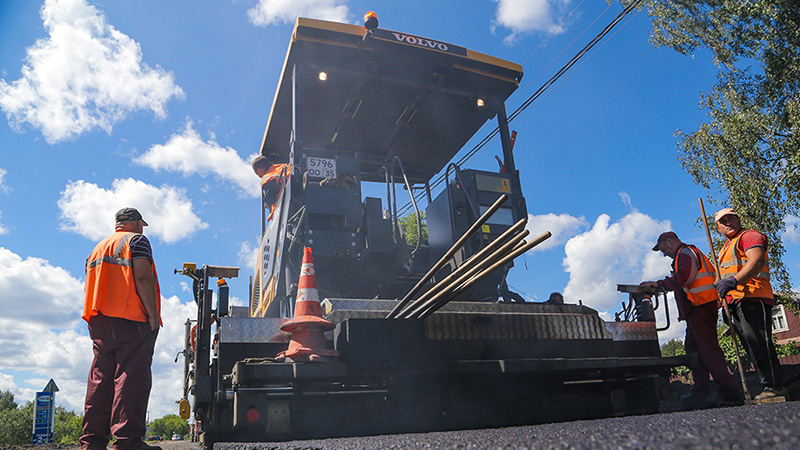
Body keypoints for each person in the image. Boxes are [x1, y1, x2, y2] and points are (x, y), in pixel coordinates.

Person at [81, 208, 162, 450]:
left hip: (99, 320)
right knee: (132, 377)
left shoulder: (99, 247)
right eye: (141, 224)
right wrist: (153, 316)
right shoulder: (137, 241)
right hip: (130, 318)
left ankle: (92, 442)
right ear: (137, 223)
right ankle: (128, 442)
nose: (142, 228)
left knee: (100, 380)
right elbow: (143, 278)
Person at [641, 231, 741, 408]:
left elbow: (684, 277)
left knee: (708, 350)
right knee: (693, 350)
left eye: (663, 249)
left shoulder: (685, 253)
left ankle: (729, 392)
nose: (664, 254)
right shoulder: (687, 253)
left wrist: (659, 284)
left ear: (670, 241)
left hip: (700, 306)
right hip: (697, 308)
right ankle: (700, 392)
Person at [713, 208, 786, 401]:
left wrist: (733, 281)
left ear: (738, 219)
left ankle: (774, 386)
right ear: (718, 227)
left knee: (759, 344)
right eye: (723, 221)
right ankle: (767, 386)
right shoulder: (724, 248)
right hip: (735, 301)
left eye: (731, 218)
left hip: (753, 296)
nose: (728, 223)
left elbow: (756, 261)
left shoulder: (750, 236)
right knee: (752, 346)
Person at [252, 155, 289, 221]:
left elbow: (270, 200)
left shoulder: (267, 178)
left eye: (258, 174)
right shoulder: (286, 166)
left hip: (286, 207)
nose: (260, 177)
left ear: (259, 169)